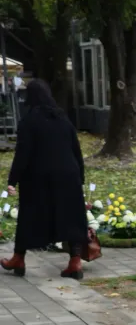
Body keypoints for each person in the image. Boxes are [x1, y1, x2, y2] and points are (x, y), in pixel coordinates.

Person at [1, 79, 87, 280]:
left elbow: (23, 154)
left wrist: (13, 180)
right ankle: (75, 262)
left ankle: (18, 258)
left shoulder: (29, 121)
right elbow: (76, 149)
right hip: (69, 175)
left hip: (39, 178)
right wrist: (80, 176)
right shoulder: (62, 118)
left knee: (29, 216)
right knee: (71, 216)